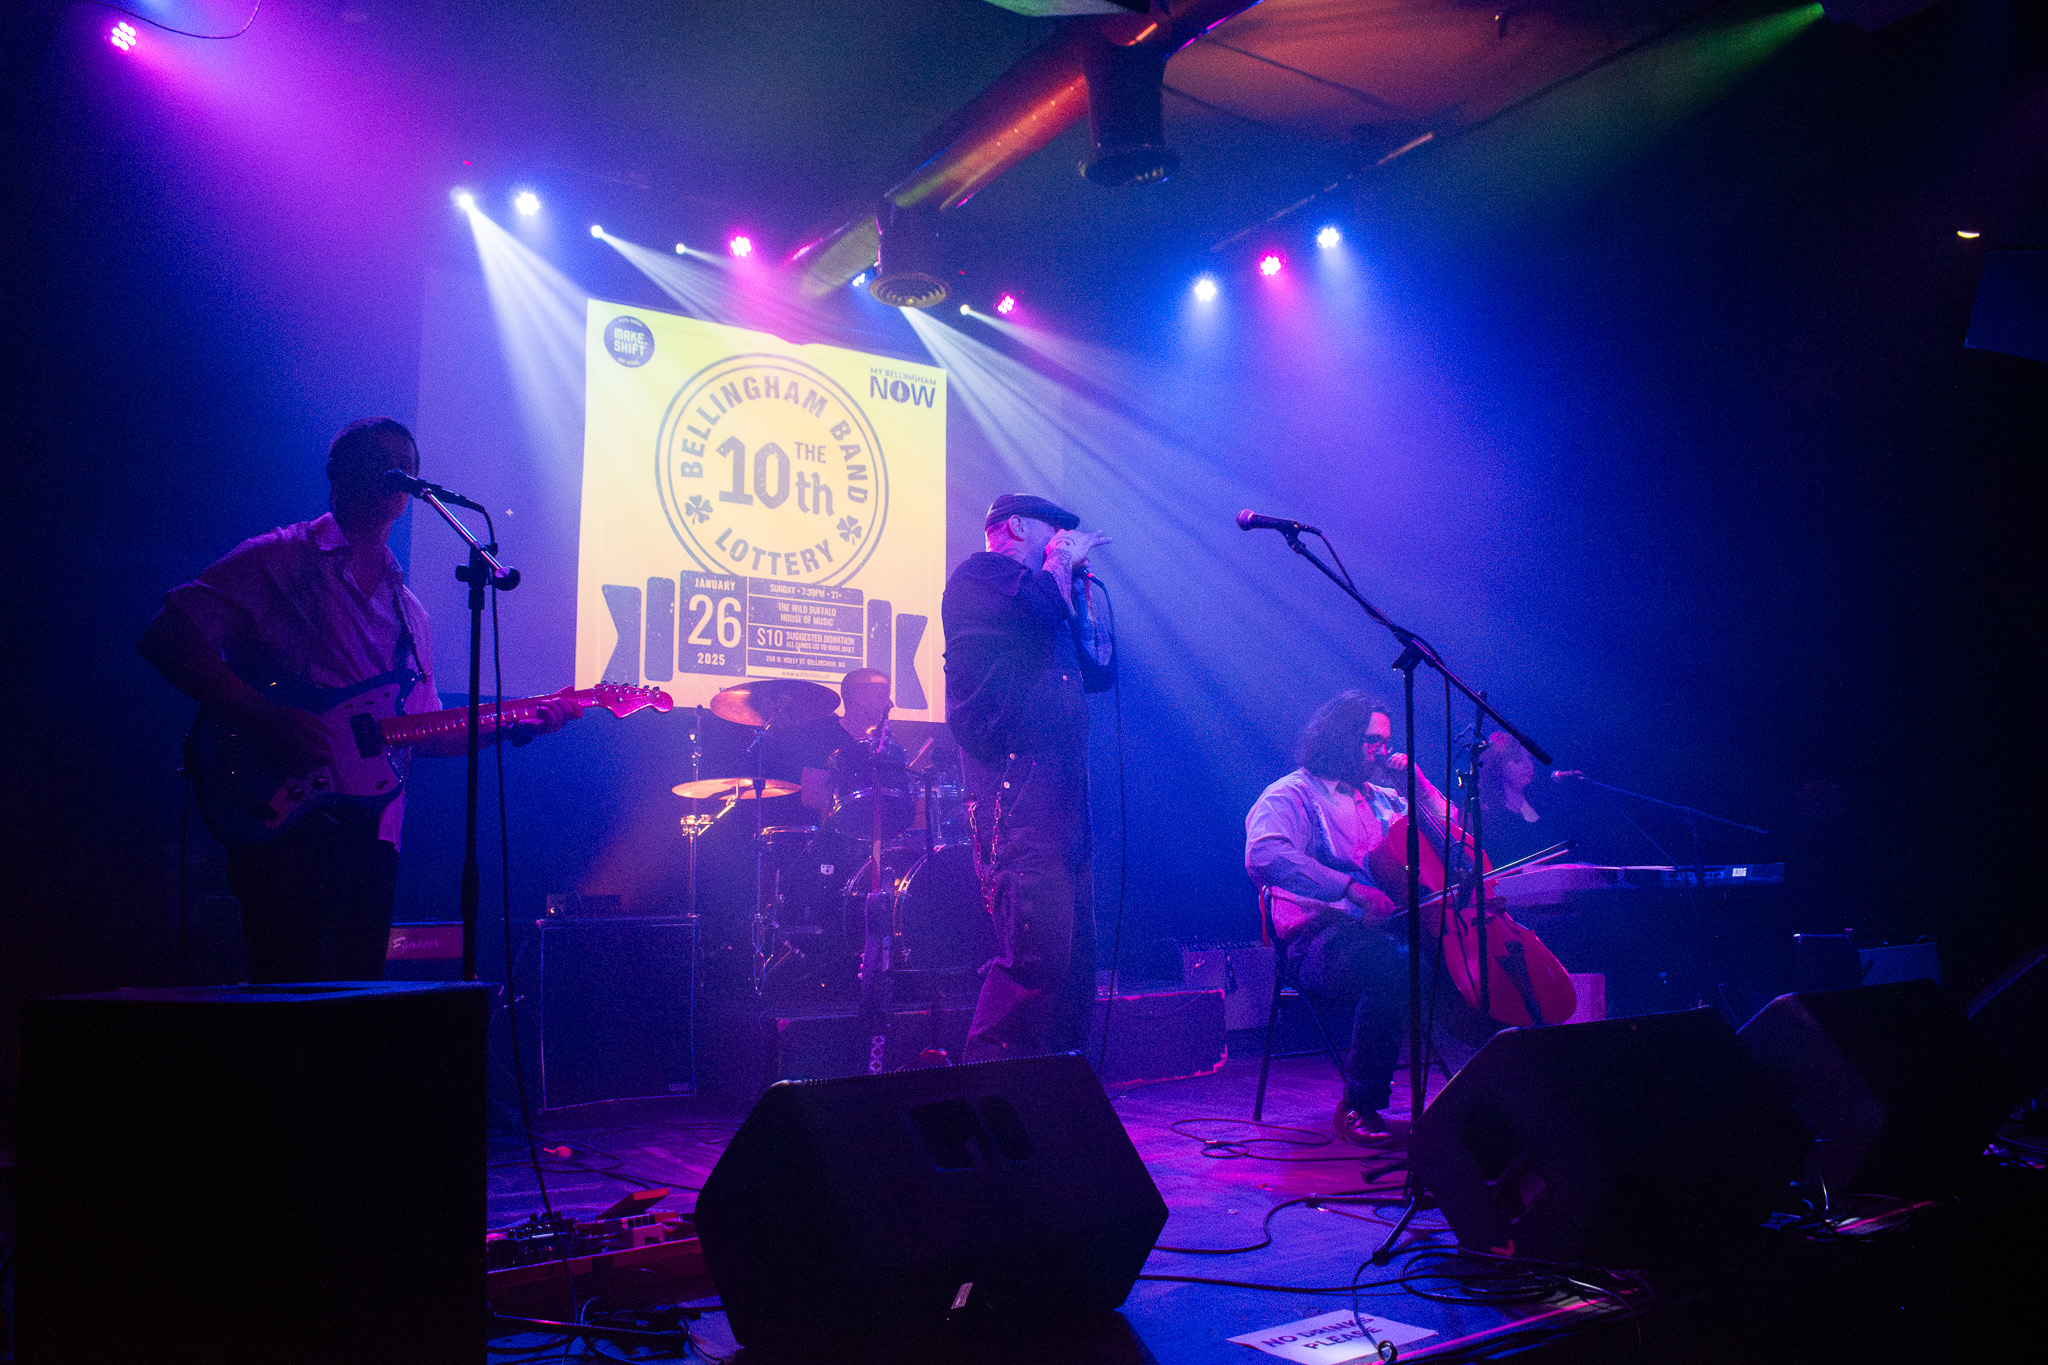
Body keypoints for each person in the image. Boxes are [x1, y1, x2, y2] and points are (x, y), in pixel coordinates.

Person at [137, 417, 577, 983]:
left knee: (357, 1008)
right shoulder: (279, 557)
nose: (398, 470)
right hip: (288, 813)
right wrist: (264, 717)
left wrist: (516, 724)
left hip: (376, 832)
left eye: (407, 464)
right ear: (338, 472)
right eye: (381, 458)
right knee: (293, 1002)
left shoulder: (411, 612)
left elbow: (423, 730)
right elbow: (168, 635)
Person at [943, 493, 1114, 1060]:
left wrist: (1079, 590)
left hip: (1064, 796)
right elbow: (1036, 613)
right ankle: (983, 1089)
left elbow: (1100, 671)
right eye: (1054, 531)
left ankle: (1057, 1089)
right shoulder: (980, 576)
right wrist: (1060, 563)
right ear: (1016, 526)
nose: (1062, 541)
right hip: (1015, 793)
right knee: (1035, 955)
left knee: (1074, 961)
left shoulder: (1049, 591)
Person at [1245, 691, 1451, 1145]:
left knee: (1457, 962)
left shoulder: (1386, 798)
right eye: (1372, 741)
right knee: (1396, 962)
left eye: (1387, 742)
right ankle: (1359, 1103)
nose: (1383, 752)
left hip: (1388, 930)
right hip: (1316, 941)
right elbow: (1264, 853)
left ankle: (1489, 1088)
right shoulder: (1292, 794)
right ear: (1340, 738)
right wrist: (1349, 889)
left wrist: (1420, 789)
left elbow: (1455, 836)